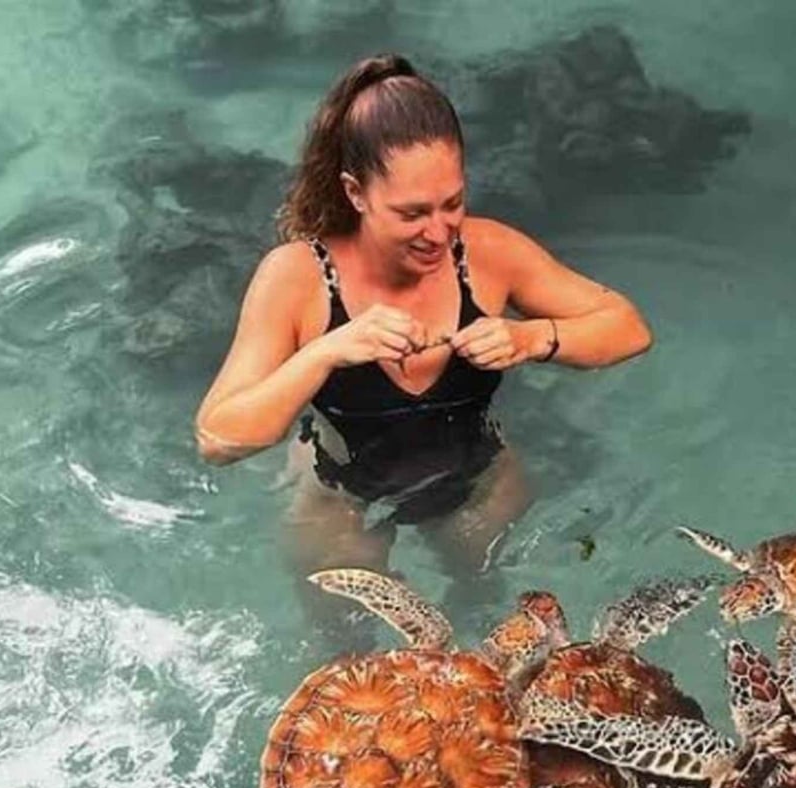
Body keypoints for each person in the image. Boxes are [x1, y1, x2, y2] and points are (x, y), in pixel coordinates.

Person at [193, 53, 653, 623]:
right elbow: (217, 437)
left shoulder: (488, 254)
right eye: (411, 213)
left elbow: (627, 328)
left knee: (488, 617)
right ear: (355, 193)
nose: (438, 232)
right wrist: (326, 350)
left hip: (479, 479)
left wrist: (532, 337)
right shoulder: (296, 277)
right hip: (342, 494)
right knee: (345, 649)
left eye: (452, 203)